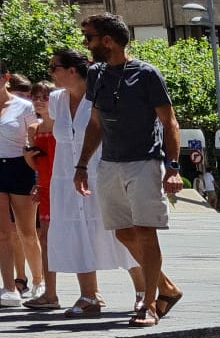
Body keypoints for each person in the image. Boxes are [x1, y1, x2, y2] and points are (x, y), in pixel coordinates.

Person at [75, 13, 184, 327]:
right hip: (109, 164)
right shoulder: (96, 74)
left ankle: (149, 304)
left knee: (145, 233)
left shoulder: (147, 74)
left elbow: (170, 123)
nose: (86, 43)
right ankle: (167, 288)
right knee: (123, 233)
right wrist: (82, 164)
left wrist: (172, 168)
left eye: (90, 37)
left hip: (144, 162)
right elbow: (95, 124)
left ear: (107, 41)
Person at [46, 48, 137, 317]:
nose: (50, 73)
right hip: (65, 178)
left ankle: (146, 292)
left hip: (101, 173)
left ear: (72, 70)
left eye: (54, 68)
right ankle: (89, 295)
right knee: (75, 233)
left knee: (121, 232)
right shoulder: (56, 100)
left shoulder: (101, 94)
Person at [0, 73, 44, 307]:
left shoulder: (23, 107)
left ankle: (38, 281)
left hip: (20, 166)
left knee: (27, 232)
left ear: (5, 78)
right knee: (3, 233)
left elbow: (35, 141)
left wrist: (37, 174)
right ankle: (9, 288)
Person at [23, 80, 59, 308]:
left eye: (45, 96)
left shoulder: (63, 125)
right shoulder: (34, 129)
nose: (39, 101)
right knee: (45, 239)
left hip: (66, 187)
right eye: (36, 96)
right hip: (46, 187)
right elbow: (39, 164)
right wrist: (30, 162)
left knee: (80, 236)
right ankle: (50, 293)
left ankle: (92, 290)